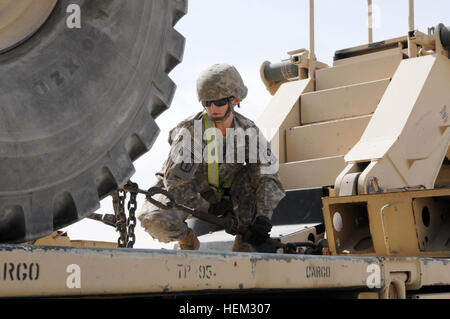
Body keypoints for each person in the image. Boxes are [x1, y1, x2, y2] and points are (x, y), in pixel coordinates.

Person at [137, 63, 285, 252]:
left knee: (259, 173)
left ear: (235, 100)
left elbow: (269, 176)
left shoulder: (248, 131)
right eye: (207, 103)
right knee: (156, 219)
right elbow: (176, 184)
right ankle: (187, 239)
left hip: (228, 198)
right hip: (184, 196)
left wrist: (263, 218)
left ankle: (245, 241)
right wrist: (209, 209)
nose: (213, 108)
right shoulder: (191, 132)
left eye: (220, 102)